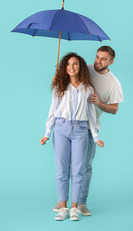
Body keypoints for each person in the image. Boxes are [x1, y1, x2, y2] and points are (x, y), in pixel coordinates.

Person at [53, 46, 124, 216]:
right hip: (69, 124)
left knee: (84, 166)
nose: (98, 61)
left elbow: (115, 109)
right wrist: (59, 76)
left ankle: (81, 202)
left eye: (103, 59)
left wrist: (99, 103)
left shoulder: (113, 82)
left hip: (90, 126)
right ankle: (63, 201)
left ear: (111, 62)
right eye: (97, 57)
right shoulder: (86, 69)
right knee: (65, 164)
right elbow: (70, 73)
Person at [40, 53, 104, 221]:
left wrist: (96, 136)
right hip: (61, 129)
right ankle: (63, 208)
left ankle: (74, 208)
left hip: (81, 131)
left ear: (80, 67)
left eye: (75, 64)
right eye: (68, 64)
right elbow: (52, 111)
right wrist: (47, 133)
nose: (71, 67)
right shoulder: (59, 87)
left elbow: (91, 115)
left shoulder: (88, 88)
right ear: (64, 68)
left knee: (78, 170)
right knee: (61, 170)